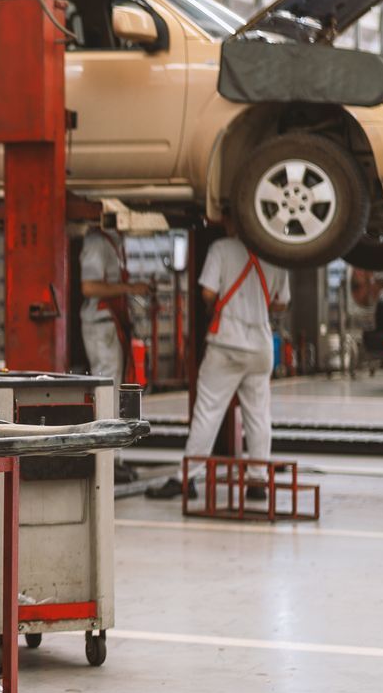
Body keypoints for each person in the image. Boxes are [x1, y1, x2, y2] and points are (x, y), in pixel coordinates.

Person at [148, 235, 288, 501]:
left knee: (208, 411)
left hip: (227, 343)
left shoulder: (221, 247)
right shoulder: (275, 251)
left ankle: (187, 478)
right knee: (258, 414)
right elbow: (282, 302)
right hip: (261, 345)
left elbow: (208, 293)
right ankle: (257, 480)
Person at [78, 213, 148, 386]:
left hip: (108, 323)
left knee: (112, 381)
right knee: (107, 383)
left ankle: (110, 412)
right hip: (100, 324)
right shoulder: (96, 242)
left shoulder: (112, 241)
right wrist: (131, 288)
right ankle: (106, 413)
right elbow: (89, 287)